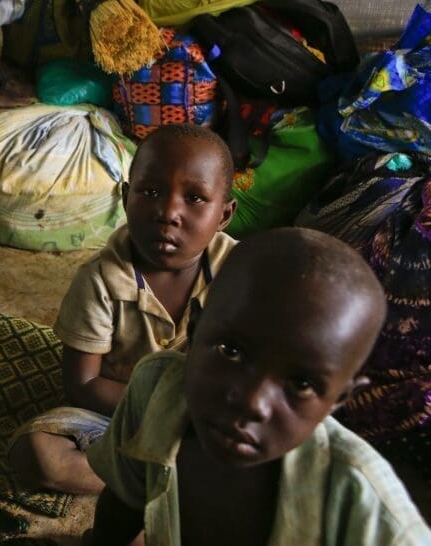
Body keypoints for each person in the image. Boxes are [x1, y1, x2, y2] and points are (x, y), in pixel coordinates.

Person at [85, 227, 431, 545]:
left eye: (302, 384)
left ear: (340, 399)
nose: (252, 401)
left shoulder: (367, 509)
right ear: (194, 332)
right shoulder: (155, 389)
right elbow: (123, 500)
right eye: (231, 351)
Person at [10, 124, 238, 494]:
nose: (168, 212)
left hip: (207, 422)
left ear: (224, 215)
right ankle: (177, 481)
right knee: (39, 454)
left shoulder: (241, 273)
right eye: (150, 192)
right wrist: (166, 413)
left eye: (194, 198)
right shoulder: (100, 280)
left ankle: (162, 476)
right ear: (125, 197)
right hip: (117, 416)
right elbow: (82, 385)